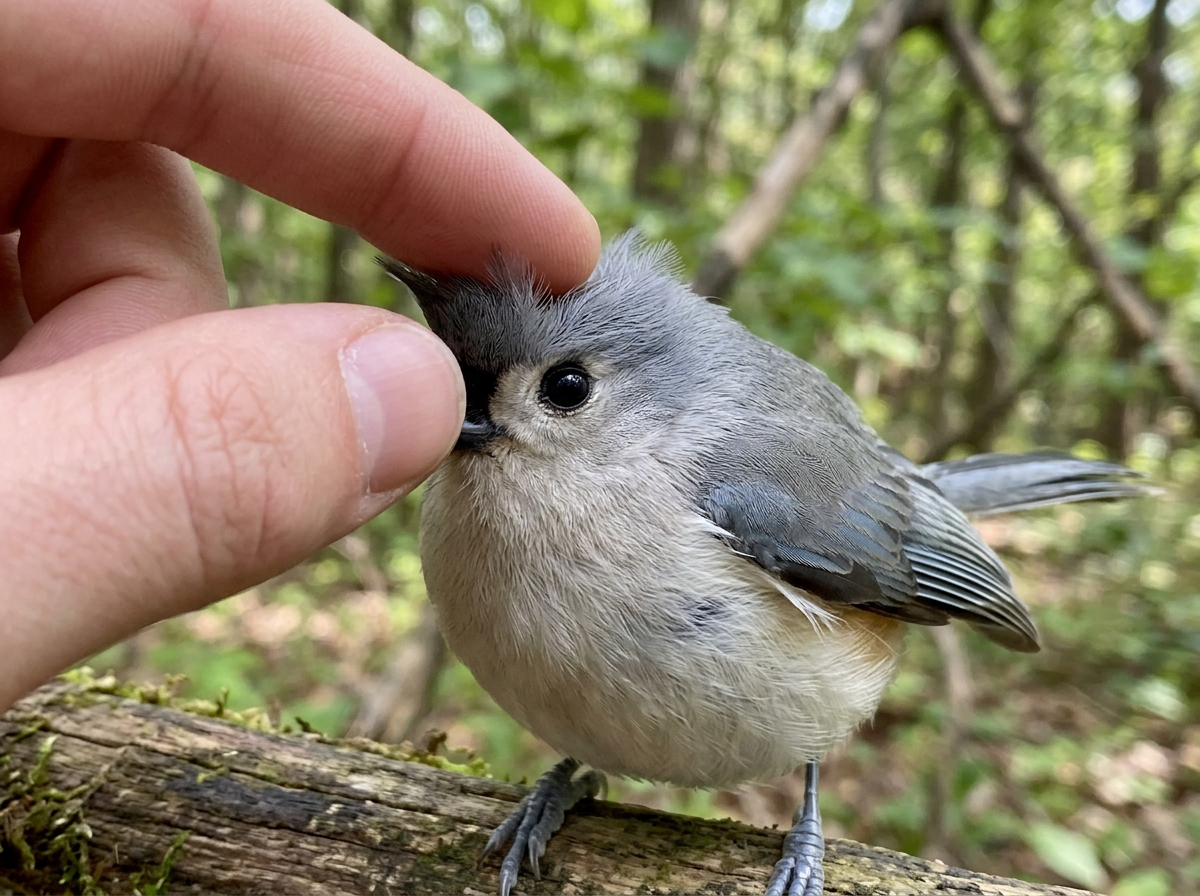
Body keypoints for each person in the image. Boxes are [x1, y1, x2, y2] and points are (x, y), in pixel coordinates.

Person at [0, 0, 600, 713]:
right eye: (466, 393)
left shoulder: (730, 490)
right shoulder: (471, 528)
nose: (464, 425)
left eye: (561, 391)